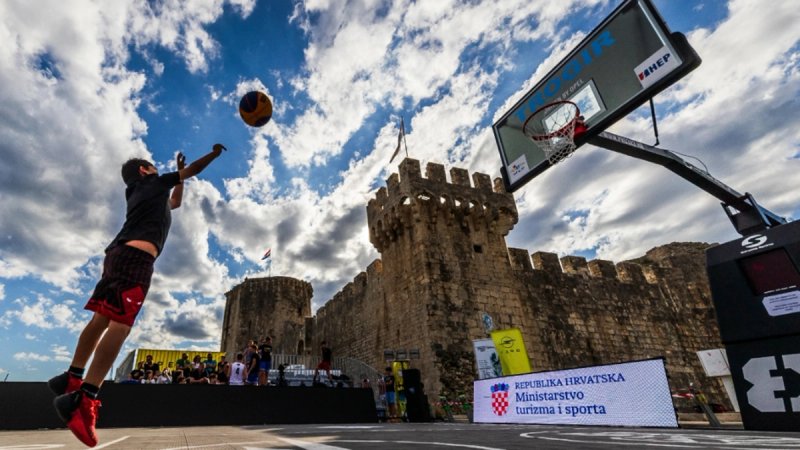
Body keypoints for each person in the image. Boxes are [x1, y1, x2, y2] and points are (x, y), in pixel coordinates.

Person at [47, 144, 226, 447]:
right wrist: (213, 155)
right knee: (121, 325)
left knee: (101, 318)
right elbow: (194, 170)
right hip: (137, 259)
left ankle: (73, 376)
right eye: (153, 166)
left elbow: (176, 203)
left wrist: (178, 177)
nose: (158, 169)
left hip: (117, 254)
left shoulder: (145, 194)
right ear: (144, 170)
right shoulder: (151, 183)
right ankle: (84, 399)